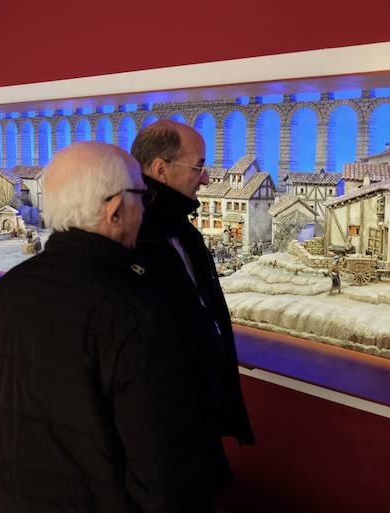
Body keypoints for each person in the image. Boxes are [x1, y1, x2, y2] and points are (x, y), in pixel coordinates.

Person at [0, 142, 212, 513]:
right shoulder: (133, 314)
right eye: (142, 196)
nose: (144, 207)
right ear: (116, 208)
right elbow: (162, 472)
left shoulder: (9, 289)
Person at [131, 120, 254, 486]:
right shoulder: (130, 237)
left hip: (195, 418)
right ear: (160, 169)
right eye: (198, 166)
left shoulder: (184, 233)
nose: (205, 179)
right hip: (162, 431)